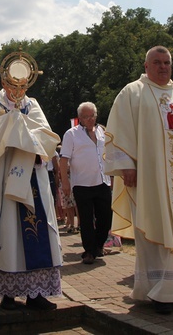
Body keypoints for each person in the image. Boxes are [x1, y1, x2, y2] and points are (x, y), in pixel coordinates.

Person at [104, 46, 173, 315]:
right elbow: (119, 131)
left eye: (167, 62)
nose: (163, 67)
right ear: (146, 66)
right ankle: (159, 291)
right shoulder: (132, 92)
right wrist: (125, 166)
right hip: (150, 177)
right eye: (157, 62)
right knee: (155, 227)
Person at [0, 53, 62, 311]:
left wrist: (23, 135)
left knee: (38, 231)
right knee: (9, 230)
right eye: (13, 85)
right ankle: (8, 294)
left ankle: (36, 293)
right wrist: (9, 124)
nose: (17, 90)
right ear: (4, 81)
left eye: (22, 85)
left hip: (32, 174)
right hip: (4, 177)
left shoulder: (32, 105)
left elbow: (47, 135)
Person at [59, 102, 112, 265]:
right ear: (80, 118)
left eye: (92, 116)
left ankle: (99, 244)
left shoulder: (103, 132)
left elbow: (109, 155)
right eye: (86, 117)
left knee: (106, 217)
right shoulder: (71, 134)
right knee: (86, 219)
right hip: (82, 183)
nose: (90, 119)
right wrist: (65, 182)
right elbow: (63, 159)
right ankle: (89, 251)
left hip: (102, 181)